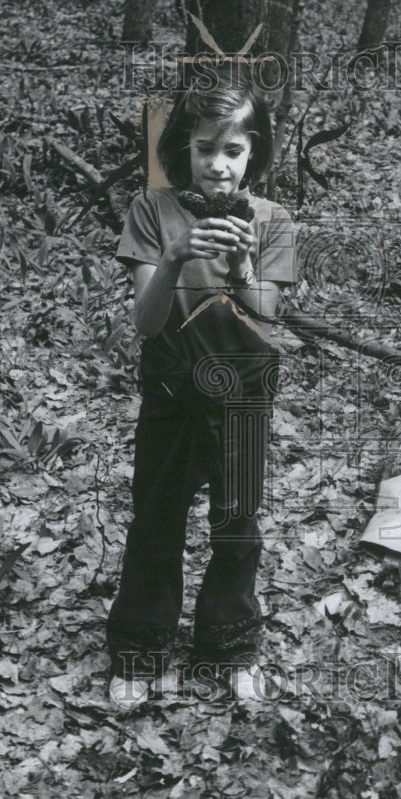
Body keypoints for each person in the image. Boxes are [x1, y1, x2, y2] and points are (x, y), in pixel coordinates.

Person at [106, 65, 297, 709]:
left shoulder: (272, 219)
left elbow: (268, 313)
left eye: (234, 151)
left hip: (245, 388)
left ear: (255, 154)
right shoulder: (151, 211)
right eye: (205, 148)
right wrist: (176, 257)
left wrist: (242, 265)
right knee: (156, 518)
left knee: (237, 523)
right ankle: (141, 649)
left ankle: (230, 648)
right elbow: (145, 320)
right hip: (170, 386)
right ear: (182, 148)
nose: (218, 166)